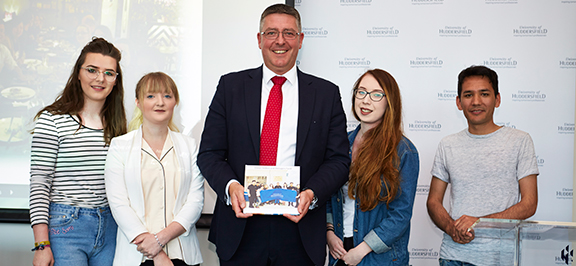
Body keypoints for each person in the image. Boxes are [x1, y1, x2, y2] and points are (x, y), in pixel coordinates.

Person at [197, 3, 350, 266]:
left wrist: (312, 193)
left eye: (289, 33)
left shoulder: (326, 94)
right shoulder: (230, 87)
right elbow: (209, 154)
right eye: (271, 33)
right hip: (240, 230)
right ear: (259, 39)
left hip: (300, 233)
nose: (280, 41)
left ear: (300, 40)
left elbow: (338, 161)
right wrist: (231, 187)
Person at [426, 65, 539, 266]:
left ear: (497, 99)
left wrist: (479, 222)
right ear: (459, 102)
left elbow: (529, 204)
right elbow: (433, 202)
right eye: (468, 95)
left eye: (484, 94)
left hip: (500, 258)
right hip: (453, 257)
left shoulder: (520, 141)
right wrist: (452, 228)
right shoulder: (447, 144)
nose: (476, 102)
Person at [29, 37, 127, 266]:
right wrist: (41, 246)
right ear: (79, 73)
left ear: (115, 81)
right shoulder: (52, 120)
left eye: (109, 73)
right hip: (65, 228)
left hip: (111, 228)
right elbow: (39, 183)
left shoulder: (120, 127)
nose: (100, 78)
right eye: (92, 70)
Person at [104, 72, 204, 266]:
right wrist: (156, 252)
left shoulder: (190, 146)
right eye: (151, 96)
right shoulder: (120, 146)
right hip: (137, 255)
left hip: (182, 255)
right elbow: (118, 203)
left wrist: (161, 238)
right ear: (138, 102)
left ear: (175, 102)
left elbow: (195, 200)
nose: (160, 102)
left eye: (167, 96)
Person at [326, 69, 420, 266]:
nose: (366, 100)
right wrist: (329, 232)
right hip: (340, 251)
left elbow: (400, 214)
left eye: (377, 95)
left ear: (389, 102)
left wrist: (361, 250)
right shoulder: (341, 143)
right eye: (361, 92)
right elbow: (329, 194)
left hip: (379, 257)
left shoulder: (403, 152)